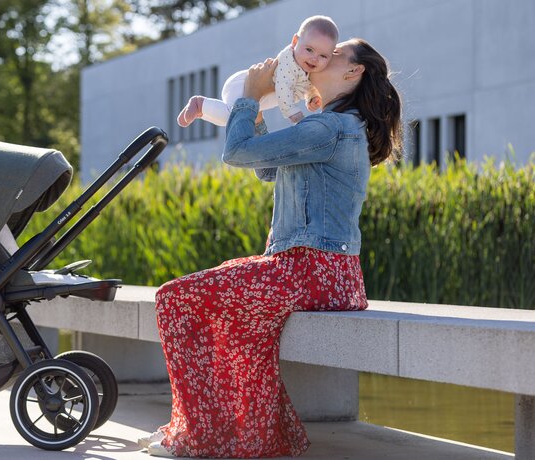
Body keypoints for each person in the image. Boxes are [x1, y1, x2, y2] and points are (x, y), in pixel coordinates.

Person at [140, 38, 402, 458]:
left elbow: (237, 154)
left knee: (175, 298)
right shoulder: (327, 123)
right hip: (317, 271)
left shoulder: (330, 128)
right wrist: (258, 106)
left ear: (353, 73)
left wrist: (246, 98)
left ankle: (197, 434)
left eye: (333, 54)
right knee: (242, 325)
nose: (319, 57)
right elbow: (263, 167)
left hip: (311, 270)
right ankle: (240, 436)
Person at [177, 15, 339, 128]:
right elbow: (283, 88)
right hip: (243, 84)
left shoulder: (305, 70)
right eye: (309, 49)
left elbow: (307, 86)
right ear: (295, 41)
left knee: (227, 119)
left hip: (253, 92)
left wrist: (311, 97)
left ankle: (201, 111)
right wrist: (293, 113)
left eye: (323, 55)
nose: (314, 58)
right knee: (234, 117)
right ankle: (200, 104)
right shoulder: (288, 63)